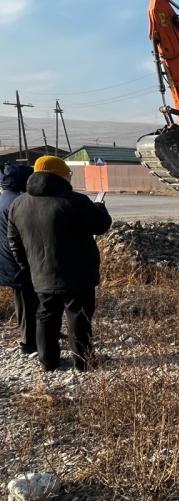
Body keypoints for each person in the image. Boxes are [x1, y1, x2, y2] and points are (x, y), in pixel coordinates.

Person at [7, 156, 112, 371]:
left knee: (45, 315)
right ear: (58, 175)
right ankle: (82, 362)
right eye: (68, 173)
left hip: (40, 273)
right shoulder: (74, 200)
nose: (70, 176)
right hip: (78, 273)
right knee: (78, 317)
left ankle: (48, 362)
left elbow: (14, 242)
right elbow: (101, 225)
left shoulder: (18, 203)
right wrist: (100, 207)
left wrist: (29, 268)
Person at [0, 163, 37, 356]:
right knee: (27, 301)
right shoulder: (19, 202)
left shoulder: (4, 198)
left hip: (6, 258)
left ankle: (41, 334)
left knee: (28, 300)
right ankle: (29, 342)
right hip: (17, 261)